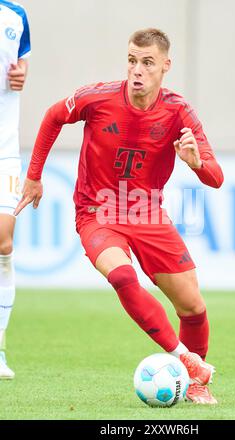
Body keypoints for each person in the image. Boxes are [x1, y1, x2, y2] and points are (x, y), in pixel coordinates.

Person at [15, 29, 224, 404]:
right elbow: (51, 117)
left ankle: (196, 384)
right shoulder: (97, 97)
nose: (137, 70)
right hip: (97, 212)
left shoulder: (179, 111)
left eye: (147, 62)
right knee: (123, 276)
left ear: (165, 66)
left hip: (148, 215)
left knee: (192, 307)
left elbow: (216, 177)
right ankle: (186, 361)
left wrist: (196, 165)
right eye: (131, 60)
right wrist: (34, 176)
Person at [0, 0, 31, 379]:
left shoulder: (16, 16)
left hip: (4, 152)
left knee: (4, 242)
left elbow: (19, 68)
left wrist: (22, 74)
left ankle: (0, 348)